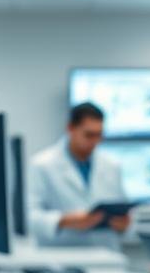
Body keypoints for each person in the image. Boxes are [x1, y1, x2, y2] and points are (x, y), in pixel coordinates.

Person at [28, 102, 131, 248]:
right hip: (61, 256)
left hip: (107, 256)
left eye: (99, 135)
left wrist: (124, 224)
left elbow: (125, 212)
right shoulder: (42, 165)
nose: (95, 142)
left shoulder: (112, 166)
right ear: (70, 128)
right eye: (89, 135)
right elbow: (29, 218)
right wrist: (64, 220)